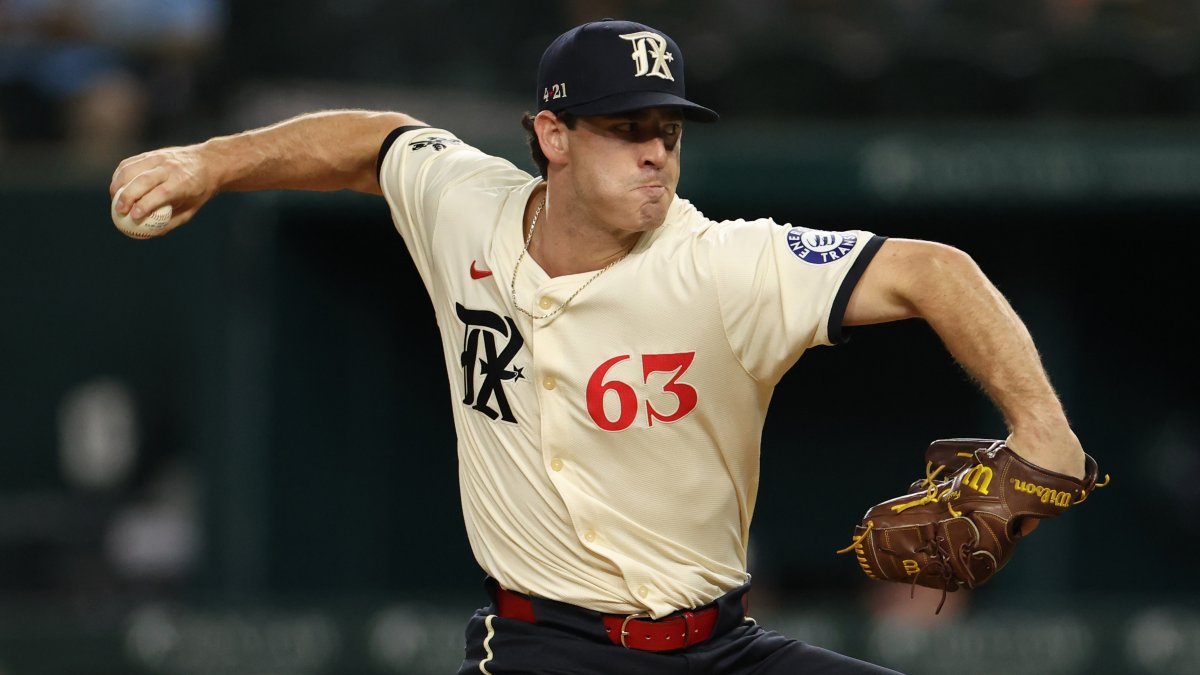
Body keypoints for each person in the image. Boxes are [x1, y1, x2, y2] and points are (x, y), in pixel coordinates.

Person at [110, 18, 1087, 675]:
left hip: (718, 649)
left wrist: (1042, 425)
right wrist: (208, 161)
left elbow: (938, 271)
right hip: (547, 650)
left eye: (667, 128)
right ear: (554, 135)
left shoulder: (725, 265)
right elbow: (374, 141)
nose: (656, 150)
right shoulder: (468, 209)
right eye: (626, 129)